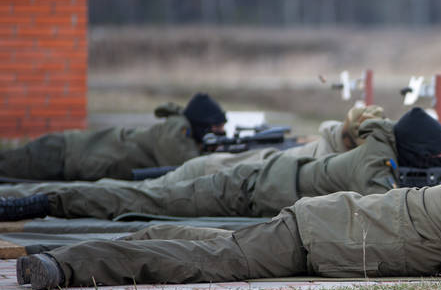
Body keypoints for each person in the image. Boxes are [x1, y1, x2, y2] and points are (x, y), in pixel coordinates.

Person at [15, 133, 441, 289]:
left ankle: (80, 249)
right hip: (317, 235)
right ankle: (66, 265)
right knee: (200, 263)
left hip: (324, 230)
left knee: (205, 245)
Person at [0, 107, 441, 222]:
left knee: (145, 197)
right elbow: (389, 209)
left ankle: (40, 198)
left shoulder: (381, 150)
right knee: (144, 199)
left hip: (257, 184)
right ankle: (39, 200)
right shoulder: (373, 163)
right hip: (244, 187)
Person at [0, 104, 385, 199]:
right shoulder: (176, 135)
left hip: (77, 158)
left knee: (110, 194)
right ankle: (18, 198)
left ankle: (22, 197)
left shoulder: (325, 152)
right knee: (109, 196)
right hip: (63, 153)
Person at [0, 93, 227, 182]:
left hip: (68, 157)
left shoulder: (183, 133)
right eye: (217, 127)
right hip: (62, 153)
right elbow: (186, 168)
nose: (221, 133)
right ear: (203, 125)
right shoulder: (176, 130)